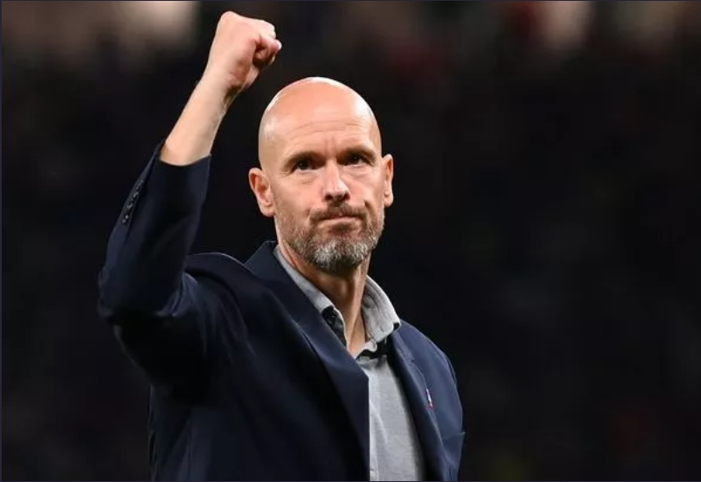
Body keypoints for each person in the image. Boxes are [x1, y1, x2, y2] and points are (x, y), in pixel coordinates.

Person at [97, 11, 464, 481]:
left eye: (355, 159)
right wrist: (217, 86)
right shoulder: (221, 326)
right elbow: (133, 293)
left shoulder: (432, 371)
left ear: (386, 179)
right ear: (263, 191)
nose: (336, 187)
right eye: (304, 165)